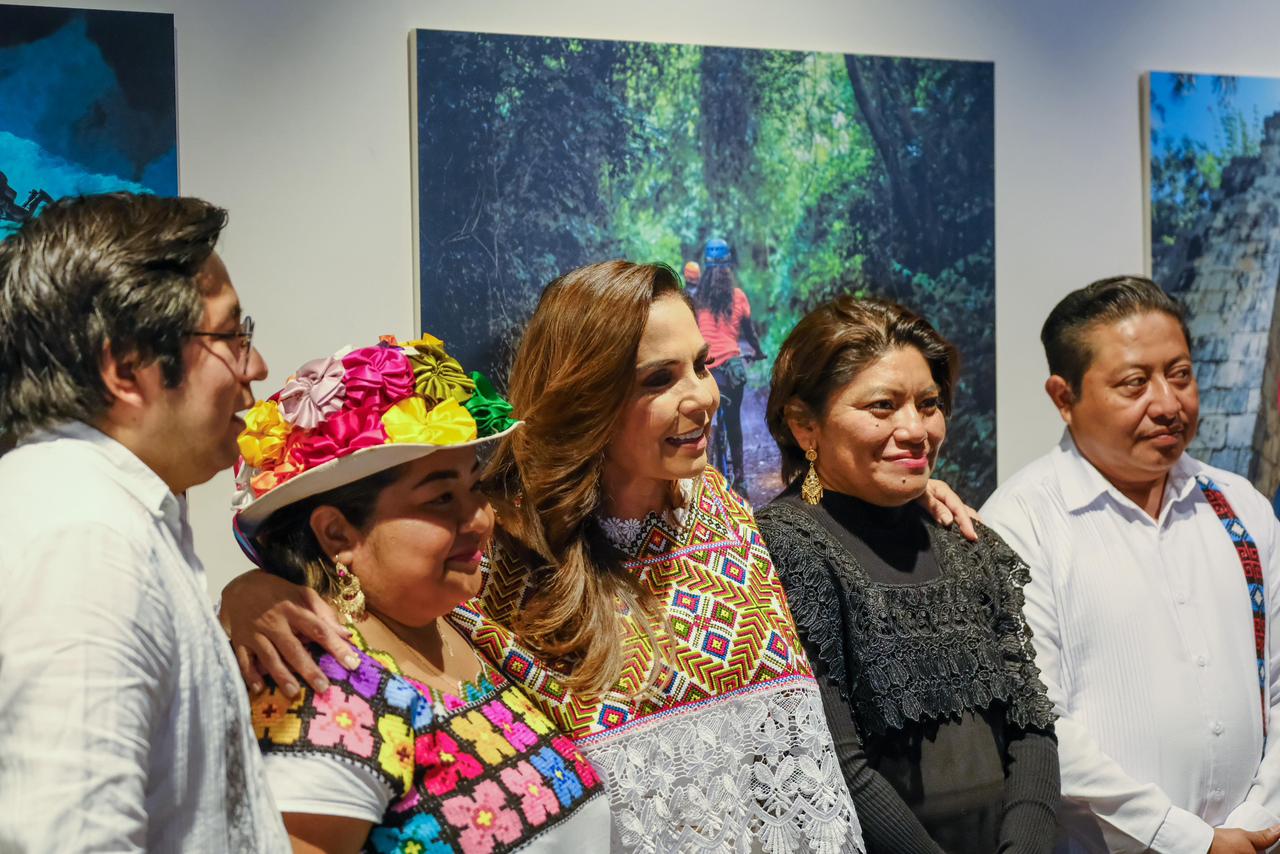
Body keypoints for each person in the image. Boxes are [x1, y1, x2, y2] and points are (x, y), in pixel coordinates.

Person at [220, 261, 981, 853]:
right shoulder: (504, 548)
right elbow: (356, 578)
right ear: (585, 396)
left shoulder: (715, 501)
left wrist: (907, 497)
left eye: (701, 366)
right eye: (659, 379)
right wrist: (248, 592)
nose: (702, 397)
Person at [232, 333, 609, 852]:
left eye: (475, 487)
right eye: (440, 499)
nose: (480, 519)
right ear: (338, 534)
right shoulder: (323, 685)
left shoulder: (462, 623)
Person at [0, 193, 288, 850]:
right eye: (230, 336)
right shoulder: (82, 540)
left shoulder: (108, 514)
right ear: (127, 369)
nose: (256, 365)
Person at [982, 275, 1280, 854]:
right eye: (1135, 384)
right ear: (1063, 397)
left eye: (1180, 375)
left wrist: (1258, 821)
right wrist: (1189, 841)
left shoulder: (1239, 506)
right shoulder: (1021, 523)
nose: (1167, 404)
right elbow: (1039, 722)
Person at [756, 295, 1059, 853]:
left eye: (928, 404)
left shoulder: (966, 539)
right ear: (805, 425)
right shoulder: (788, 547)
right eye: (883, 406)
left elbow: (1031, 722)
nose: (916, 429)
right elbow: (833, 761)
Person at [694, 238, 765, 496]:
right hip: (733, 371)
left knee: (703, 421)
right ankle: (741, 480)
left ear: (706, 266)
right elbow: (750, 332)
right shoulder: (738, 297)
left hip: (706, 370)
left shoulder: (697, 299)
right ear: (728, 266)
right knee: (734, 423)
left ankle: (700, 479)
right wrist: (758, 352)